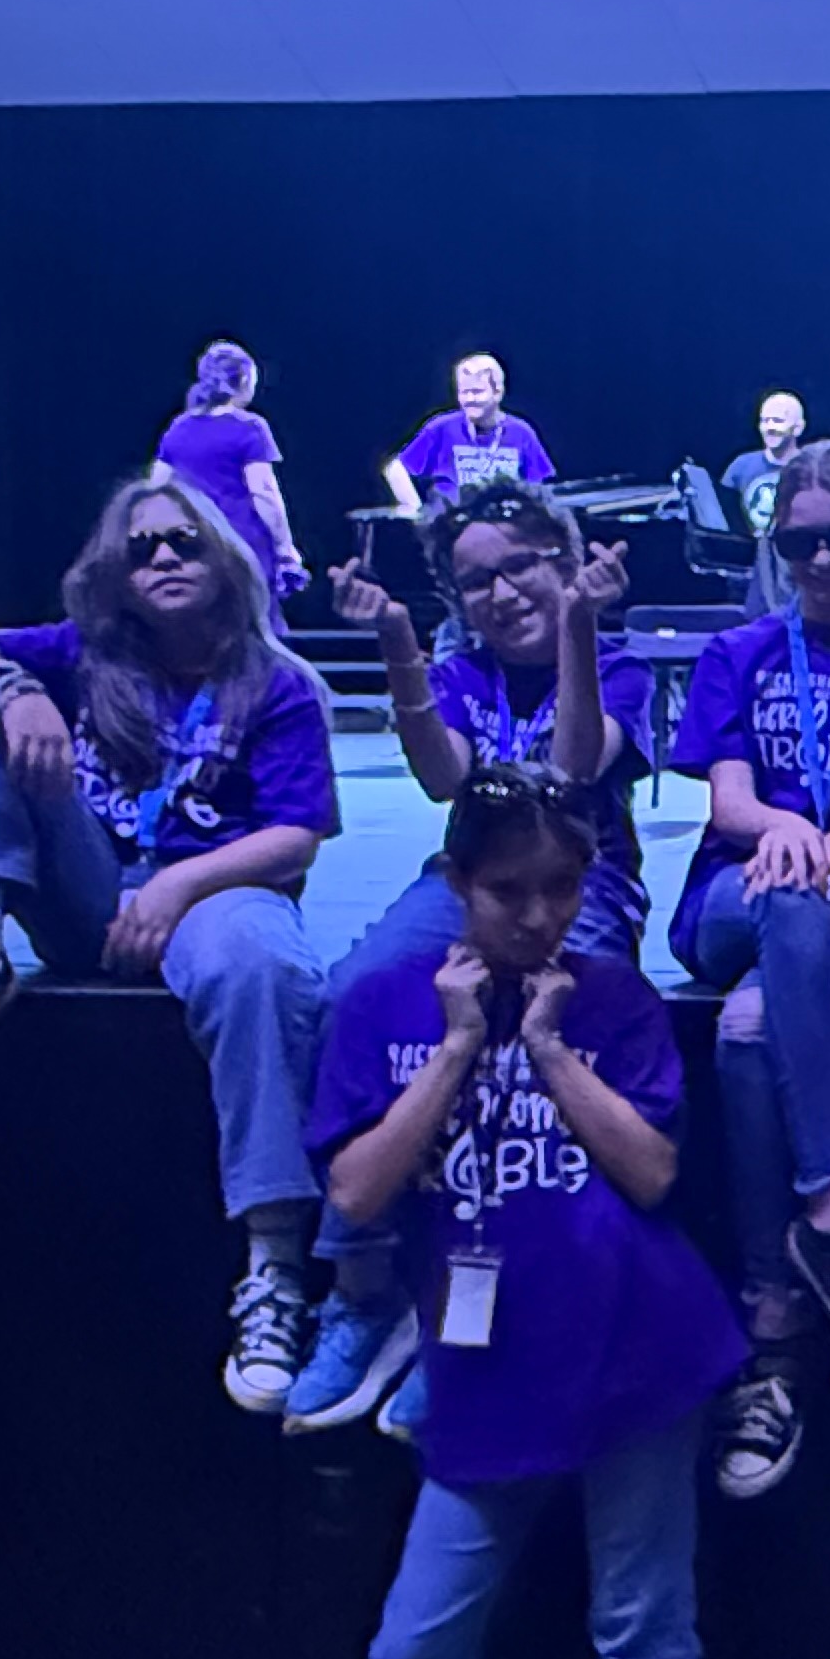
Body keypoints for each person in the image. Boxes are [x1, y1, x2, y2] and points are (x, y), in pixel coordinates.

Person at [223, 764, 743, 1659]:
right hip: (482, 1371)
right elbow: (355, 1194)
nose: (537, 914)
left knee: (645, 1636)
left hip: (637, 1358)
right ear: (455, 884)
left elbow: (655, 1171)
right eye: (508, 890)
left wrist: (550, 1045)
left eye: (561, 887)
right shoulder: (386, 1001)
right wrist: (461, 1047)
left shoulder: (609, 999)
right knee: (415, 1646)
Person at [0, 472, 339, 1413]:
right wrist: (11, 688)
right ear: (116, 574)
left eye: (184, 542)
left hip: (211, 890)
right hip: (85, 889)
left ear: (224, 556)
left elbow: (295, 835)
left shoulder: (278, 682)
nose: (165, 558)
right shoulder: (74, 656)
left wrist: (178, 884)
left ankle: (275, 1267)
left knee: (265, 963)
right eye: (142, 549)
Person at [283, 480, 644, 1441]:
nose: (499, 592)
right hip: (463, 887)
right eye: (475, 579)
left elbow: (571, 770)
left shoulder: (620, 666)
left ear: (562, 563)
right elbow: (444, 776)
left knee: (538, 1029)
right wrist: (399, 642)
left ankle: (481, 1306)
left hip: (581, 888)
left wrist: (576, 630)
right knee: (354, 990)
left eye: (519, 565)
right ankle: (361, 1285)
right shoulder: (462, 672)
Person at [666, 440, 830, 1496]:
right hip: (733, 896)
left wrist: (820, 856)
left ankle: (772, 1327)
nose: (821, 561)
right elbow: (726, 805)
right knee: (782, 901)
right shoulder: (740, 652)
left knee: (743, 1031)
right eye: (799, 542)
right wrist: (786, 841)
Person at [153, 339, 308, 610]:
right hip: (243, 547)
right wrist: (285, 549)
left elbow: (155, 488)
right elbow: (265, 493)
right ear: (245, 379)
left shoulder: (179, 427)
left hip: (192, 547)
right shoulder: (250, 427)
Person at [393, 354, 555, 514]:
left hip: (505, 526)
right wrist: (414, 508)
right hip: (451, 525)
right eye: (464, 392)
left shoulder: (521, 432)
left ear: (497, 392)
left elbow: (540, 486)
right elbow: (396, 468)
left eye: (477, 392)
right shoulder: (441, 427)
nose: (470, 399)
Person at [725, 388, 806, 616]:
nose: (770, 427)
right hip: (745, 578)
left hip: (795, 578)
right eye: (764, 420)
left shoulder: (812, 468)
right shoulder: (740, 467)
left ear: (798, 427)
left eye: (778, 420)